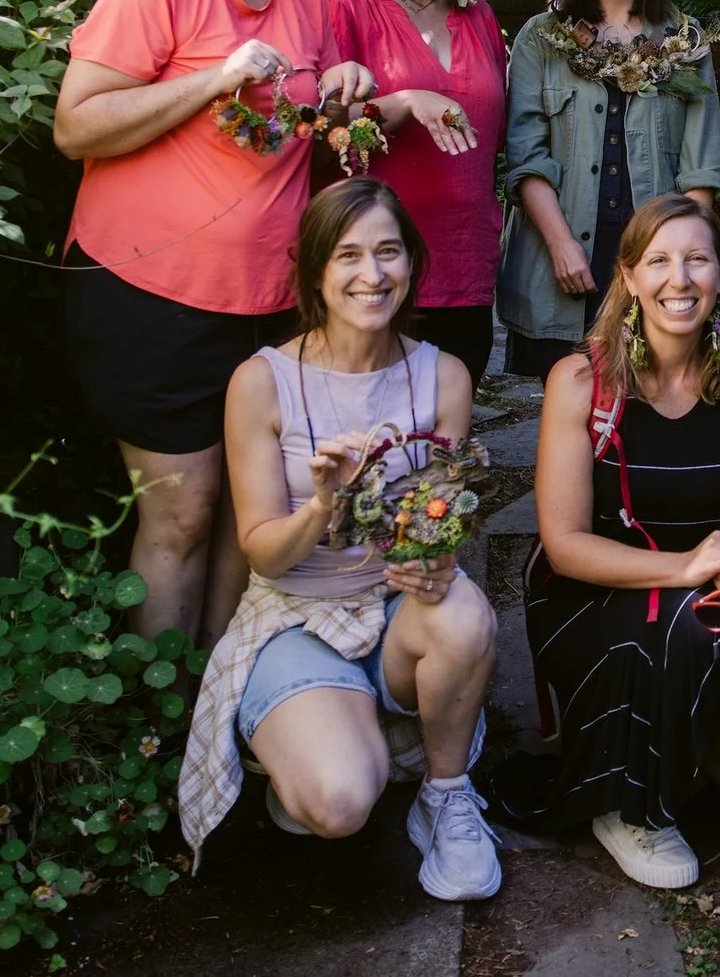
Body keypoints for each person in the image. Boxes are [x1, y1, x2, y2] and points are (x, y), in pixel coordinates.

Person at [54, 0, 372, 648]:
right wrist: (212, 78)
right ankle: (149, 734)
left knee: (250, 521)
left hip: (268, 309)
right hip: (150, 296)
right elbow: (75, 124)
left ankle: (222, 712)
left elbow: (301, 122)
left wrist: (344, 92)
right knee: (183, 517)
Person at [178, 179, 502, 899]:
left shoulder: (443, 376)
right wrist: (323, 503)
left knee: (464, 610)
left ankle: (446, 796)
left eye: (388, 252)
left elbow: (436, 512)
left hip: (390, 613)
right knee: (338, 805)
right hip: (294, 615)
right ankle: (318, 750)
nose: (372, 274)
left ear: (412, 263)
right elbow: (264, 551)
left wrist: (433, 554)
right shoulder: (261, 382)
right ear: (317, 271)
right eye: (349, 255)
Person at [509, 194, 720, 887]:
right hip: (591, 595)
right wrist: (689, 566)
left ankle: (699, 765)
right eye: (658, 261)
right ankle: (626, 805)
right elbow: (563, 543)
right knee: (683, 633)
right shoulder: (580, 381)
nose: (678, 279)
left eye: (697, 259)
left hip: (705, 594)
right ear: (628, 276)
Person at [499, 0, 720, 377]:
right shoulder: (542, 38)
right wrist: (561, 244)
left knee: (649, 406)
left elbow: (701, 170)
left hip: (656, 261)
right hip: (564, 254)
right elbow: (526, 156)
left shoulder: (684, 41)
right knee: (565, 410)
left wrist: (685, 264)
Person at [322, 0, 508, 378]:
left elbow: (494, 142)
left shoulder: (478, 16)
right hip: (371, 271)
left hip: (463, 265)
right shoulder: (341, 3)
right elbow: (318, 135)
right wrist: (401, 104)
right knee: (372, 444)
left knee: (446, 443)